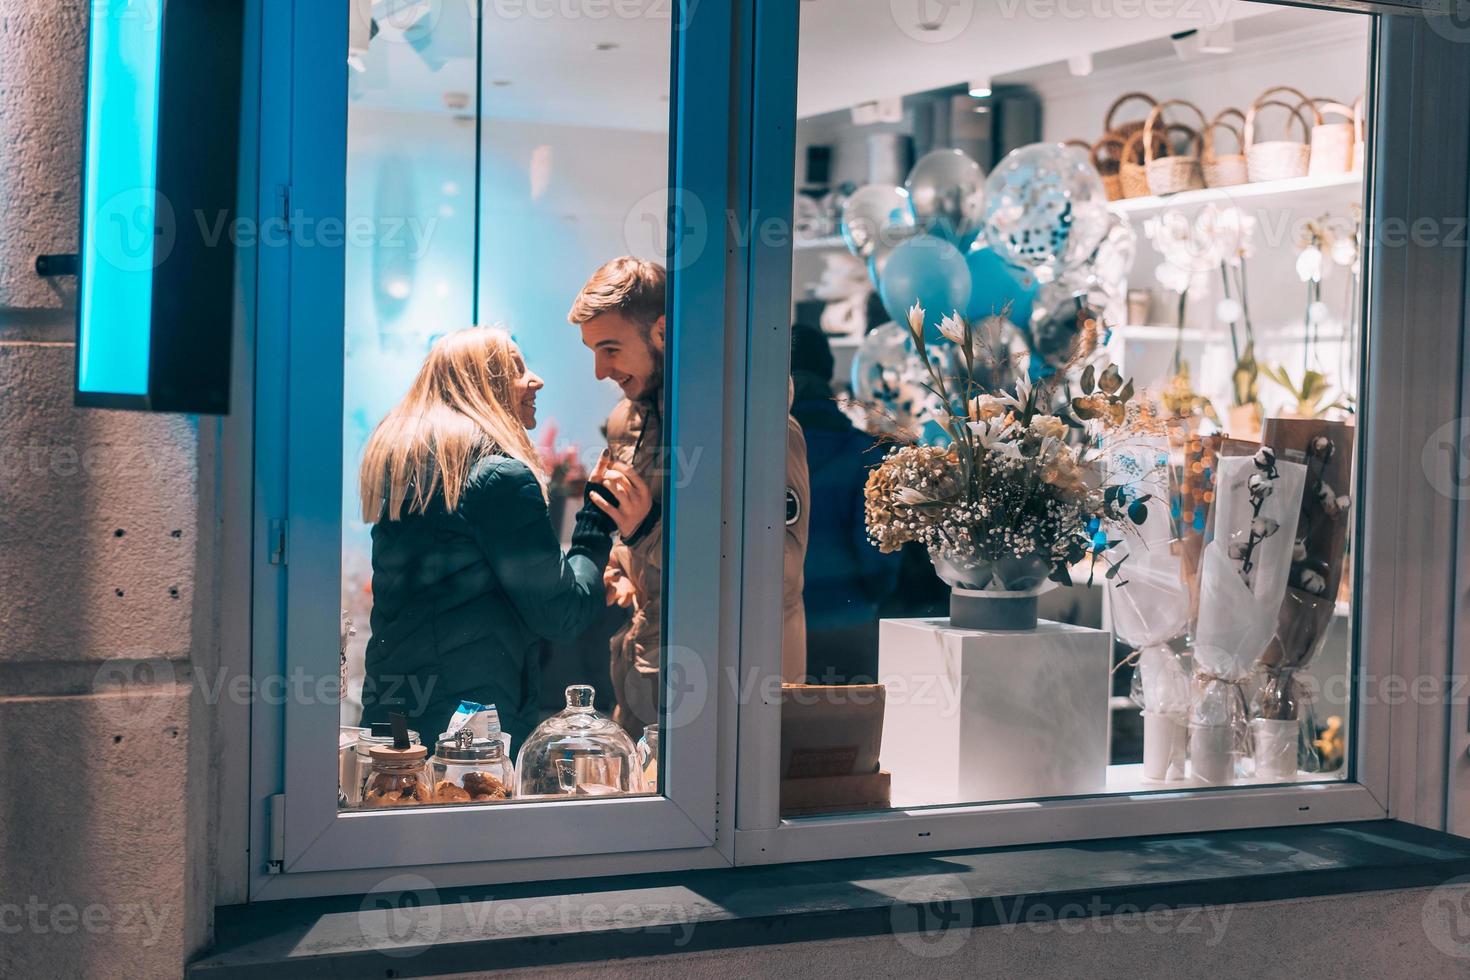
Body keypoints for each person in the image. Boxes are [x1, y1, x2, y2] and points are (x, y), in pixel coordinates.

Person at [357, 326, 651, 753]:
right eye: (514, 369)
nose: (536, 379)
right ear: (480, 386)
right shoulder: (500, 478)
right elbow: (561, 614)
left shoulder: (415, 473)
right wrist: (595, 518)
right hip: (468, 731)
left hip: (396, 715)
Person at [568, 257, 809, 737]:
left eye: (611, 349)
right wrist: (621, 564)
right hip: (642, 681)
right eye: (593, 351)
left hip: (730, 698)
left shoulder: (756, 428)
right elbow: (635, 532)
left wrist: (648, 532)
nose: (599, 372)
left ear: (662, 331)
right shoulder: (626, 422)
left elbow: (775, 570)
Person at [789, 323, 900, 683]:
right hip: (848, 621)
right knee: (850, 734)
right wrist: (868, 595)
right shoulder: (862, 452)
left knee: (775, 736)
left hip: (776, 626)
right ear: (828, 372)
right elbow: (878, 544)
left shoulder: (760, 449)